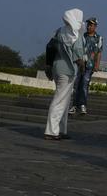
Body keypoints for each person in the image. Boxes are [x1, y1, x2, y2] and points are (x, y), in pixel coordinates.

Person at [44, 8, 84, 140]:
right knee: (60, 100)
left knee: (65, 101)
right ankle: (51, 131)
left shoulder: (59, 31)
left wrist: (48, 66)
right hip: (68, 71)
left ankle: (61, 129)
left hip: (56, 68)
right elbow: (78, 54)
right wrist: (82, 66)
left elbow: (49, 47)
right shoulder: (75, 33)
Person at [69, 17, 103, 116]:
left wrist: (97, 65)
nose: (89, 26)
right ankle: (74, 105)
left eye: (91, 25)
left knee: (84, 83)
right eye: (88, 24)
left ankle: (83, 105)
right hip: (80, 64)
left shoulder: (99, 38)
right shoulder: (82, 36)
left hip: (90, 65)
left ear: (95, 26)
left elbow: (99, 52)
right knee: (76, 84)